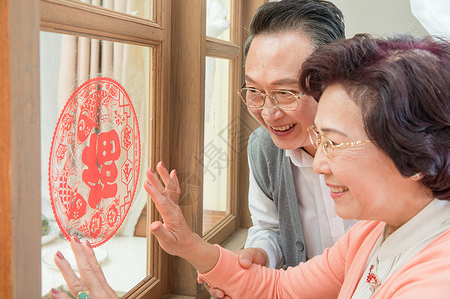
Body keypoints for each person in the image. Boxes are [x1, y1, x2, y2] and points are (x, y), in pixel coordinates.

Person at [50, 34, 450, 298]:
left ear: (415, 155)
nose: (320, 162)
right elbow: (279, 286)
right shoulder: (373, 231)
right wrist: (190, 245)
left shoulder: (433, 280)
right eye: (255, 91)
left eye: (335, 143)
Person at [234, 0, 356, 272]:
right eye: (254, 90)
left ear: (334, 78)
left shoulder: (380, 144)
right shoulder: (264, 149)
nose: (269, 113)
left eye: (285, 93)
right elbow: (270, 227)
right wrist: (261, 254)